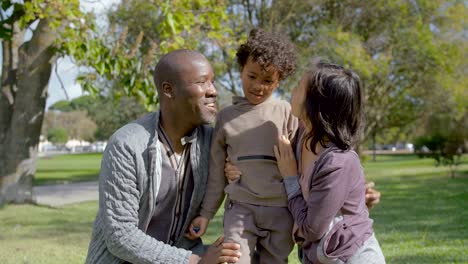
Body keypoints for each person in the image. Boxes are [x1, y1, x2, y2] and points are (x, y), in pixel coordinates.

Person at [85, 49, 241, 264]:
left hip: (184, 253)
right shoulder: (127, 145)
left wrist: (239, 171)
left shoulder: (212, 141)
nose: (213, 91)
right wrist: (194, 261)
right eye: (202, 82)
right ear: (169, 90)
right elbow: (120, 236)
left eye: (212, 82)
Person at [188, 28, 299, 264]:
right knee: (234, 260)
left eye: (268, 80)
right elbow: (217, 174)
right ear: (241, 70)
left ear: (279, 80)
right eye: (252, 76)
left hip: (281, 211)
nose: (258, 85)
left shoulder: (286, 112)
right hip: (240, 209)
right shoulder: (226, 117)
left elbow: (305, 160)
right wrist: (206, 215)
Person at [274, 61, 386, 263]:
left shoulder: (337, 161)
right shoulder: (302, 134)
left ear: (315, 104)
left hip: (351, 257)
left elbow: (311, 230)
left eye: (299, 86)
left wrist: (290, 178)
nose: (292, 89)